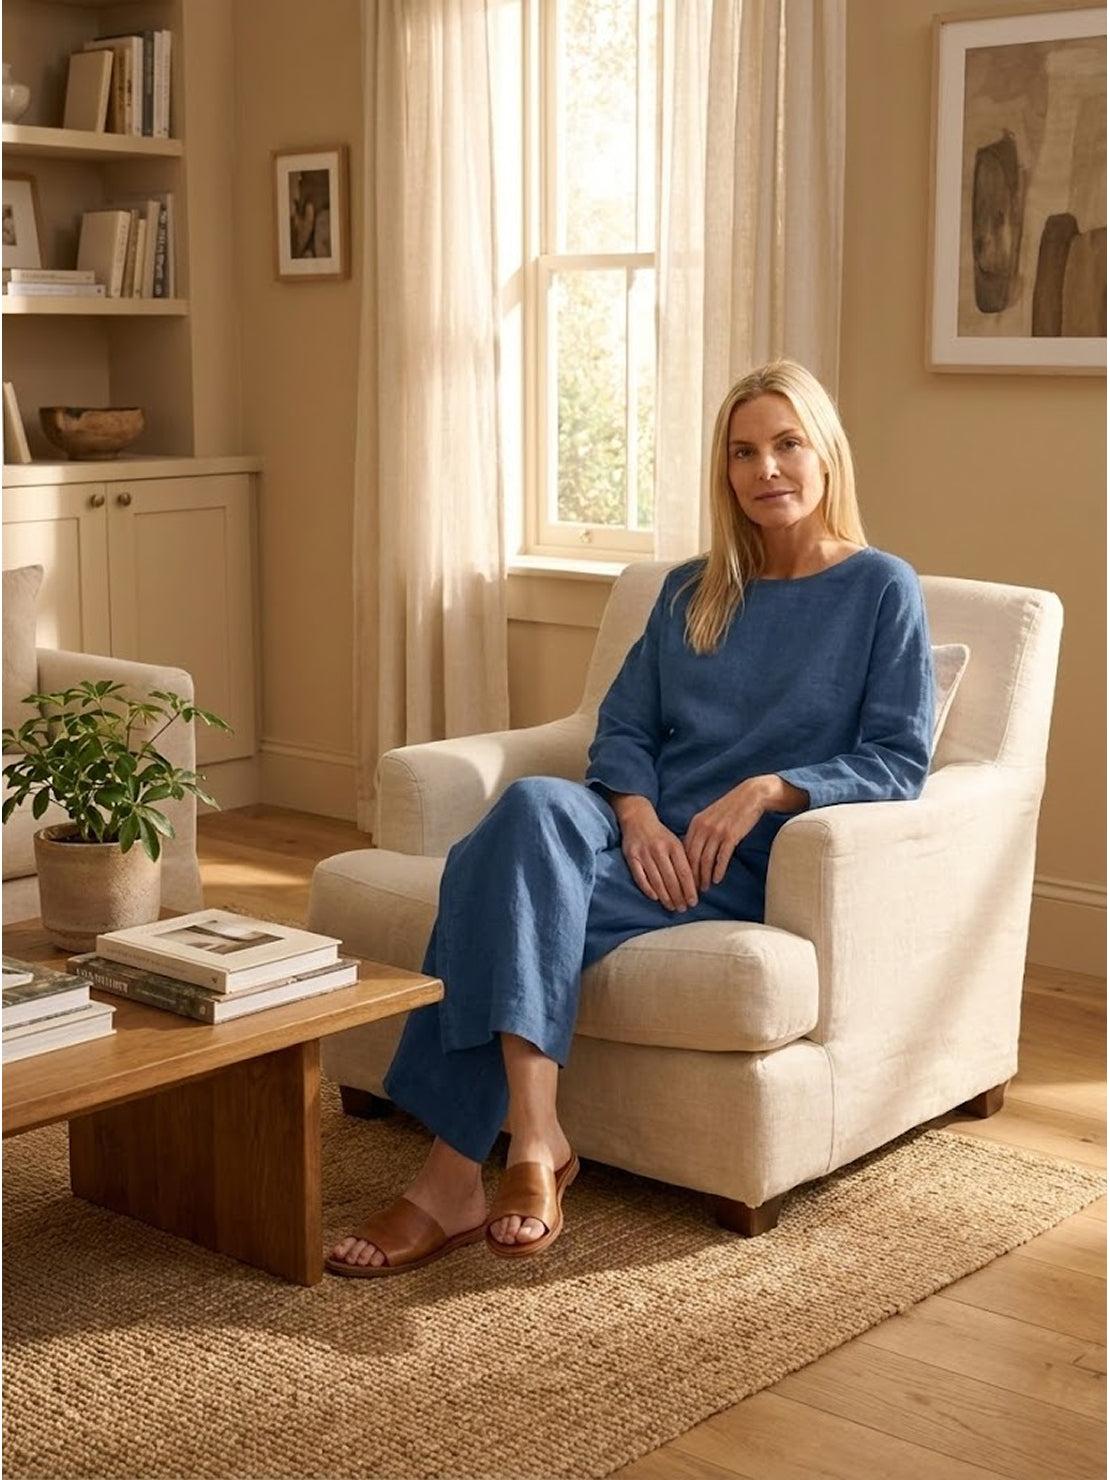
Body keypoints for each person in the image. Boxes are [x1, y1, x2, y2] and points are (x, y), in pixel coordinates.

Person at [327, 358, 936, 1277]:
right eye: (743, 452)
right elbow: (621, 728)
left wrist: (772, 787)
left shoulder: (881, 589)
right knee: (530, 806)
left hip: (725, 861)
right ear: (724, 471)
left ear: (826, 455)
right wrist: (638, 814)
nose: (766, 469)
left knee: (490, 883)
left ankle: (450, 1180)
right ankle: (536, 1142)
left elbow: (898, 758)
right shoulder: (695, 588)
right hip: (636, 831)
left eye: (786, 444)